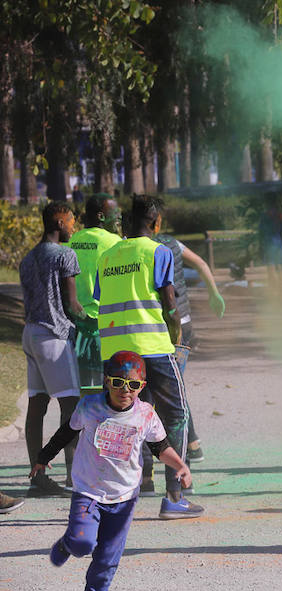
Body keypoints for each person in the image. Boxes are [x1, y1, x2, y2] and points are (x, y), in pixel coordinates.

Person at [30, 351, 193, 591]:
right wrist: (43, 457)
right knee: (83, 542)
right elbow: (67, 432)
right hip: (88, 490)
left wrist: (180, 465)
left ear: (142, 386)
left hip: (124, 497)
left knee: (107, 558)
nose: (124, 390)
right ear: (106, 380)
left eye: (133, 385)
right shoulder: (89, 405)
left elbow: (160, 447)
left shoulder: (146, 414)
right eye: (117, 382)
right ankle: (68, 543)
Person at [94, 195, 203, 519]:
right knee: (177, 414)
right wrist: (177, 335)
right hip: (153, 347)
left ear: (128, 222)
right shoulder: (159, 251)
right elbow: (170, 303)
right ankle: (174, 496)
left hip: (115, 353)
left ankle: (115, 497)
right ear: (155, 223)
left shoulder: (108, 255)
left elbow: (105, 299)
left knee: (122, 419)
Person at [151, 205, 226, 470]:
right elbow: (203, 264)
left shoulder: (141, 248)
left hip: (164, 325)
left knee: (169, 388)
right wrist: (213, 293)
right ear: (157, 222)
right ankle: (192, 444)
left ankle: (188, 448)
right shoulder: (174, 243)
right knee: (174, 384)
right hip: (184, 322)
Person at [19, 201, 85, 496]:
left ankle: (38, 477)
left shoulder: (28, 258)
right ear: (59, 222)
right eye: (72, 221)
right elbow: (72, 305)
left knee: (37, 407)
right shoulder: (64, 255)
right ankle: (76, 476)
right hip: (54, 337)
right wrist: (93, 320)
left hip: (31, 334)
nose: (74, 226)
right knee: (71, 406)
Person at [67, 193, 122, 397]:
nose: (118, 217)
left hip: (78, 323)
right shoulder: (114, 242)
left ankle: (84, 427)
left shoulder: (73, 240)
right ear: (101, 216)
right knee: (108, 389)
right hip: (105, 325)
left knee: (84, 389)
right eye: (114, 213)